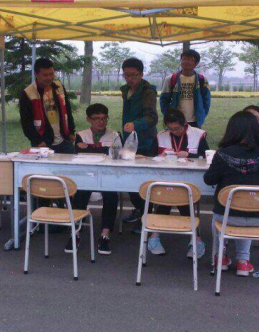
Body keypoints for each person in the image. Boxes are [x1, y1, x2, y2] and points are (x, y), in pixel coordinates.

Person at [204, 111, 259, 277]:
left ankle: (220, 257)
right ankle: (243, 261)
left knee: (223, 214)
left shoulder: (222, 155)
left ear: (231, 130)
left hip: (227, 218)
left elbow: (209, 179)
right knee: (247, 209)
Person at [147, 108, 209, 257]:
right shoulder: (160, 136)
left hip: (190, 180)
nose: (174, 132)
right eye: (171, 129)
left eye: (178, 129)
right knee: (169, 196)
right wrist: (160, 156)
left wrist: (190, 154)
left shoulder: (198, 135)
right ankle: (195, 239)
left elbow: (207, 156)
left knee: (179, 196)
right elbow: (149, 158)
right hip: (165, 179)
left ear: (185, 124)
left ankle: (156, 236)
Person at [69, 103, 120, 255]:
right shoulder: (81, 134)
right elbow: (78, 154)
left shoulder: (115, 135)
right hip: (87, 175)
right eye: (96, 118)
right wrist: (103, 150)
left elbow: (118, 156)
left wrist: (89, 149)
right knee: (80, 193)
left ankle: (105, 234)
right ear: (88, 120)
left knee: (111, 195)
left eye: (104, 118)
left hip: (108, 175)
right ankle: (76, 233)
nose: (101, 122)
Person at [119, 58, 158, 233]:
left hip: (145, 141)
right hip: (129, 140)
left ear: (141, 74)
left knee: (143, 182)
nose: (130, 79)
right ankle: (139, 210)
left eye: (133, 75)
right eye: (126, 75)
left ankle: (146, 216)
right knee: (129, 180)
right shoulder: (125, 90)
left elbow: (152, 117)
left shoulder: (148, 91)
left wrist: (136, 124)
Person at [19, 58, 76, 154]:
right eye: (45, 75)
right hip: (43, 143)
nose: (49, 77)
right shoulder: (28, 93)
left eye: (51, 74)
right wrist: (38, 141)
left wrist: (71, 132)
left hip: (64, 140)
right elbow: (26, 122)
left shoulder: (59, 86)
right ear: (36, 75)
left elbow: (68, 110)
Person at [159, 49, 211, 127]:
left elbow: (206, 100)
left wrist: (202, 114)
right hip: (176, 121)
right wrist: (169, 115)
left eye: (191, 60)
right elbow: (163, 100)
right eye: (184, 59)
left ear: (196, 63)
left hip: (195, 121)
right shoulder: (171, 79)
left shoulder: (202, 80)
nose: (186, 62)